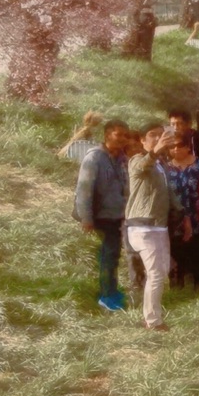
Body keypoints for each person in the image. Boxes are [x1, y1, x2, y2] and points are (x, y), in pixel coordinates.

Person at [123, 123, 178, 330]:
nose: (157, 138)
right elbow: (143, 164)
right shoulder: (137, 160)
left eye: (160, 135)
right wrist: (154, 152)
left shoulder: (161, 165)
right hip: (142, 226)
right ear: (142, 141)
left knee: (160, 272)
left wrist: (184, 214)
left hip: (158, 226)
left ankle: (150, 315)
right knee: (156, 273)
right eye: (152, 135)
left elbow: (168, 192)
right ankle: (153, 321)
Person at [73, 119, 131, 311]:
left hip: (117, 215)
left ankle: (111, 291)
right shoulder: (94, 158)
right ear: (107, 135)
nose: (123, 139)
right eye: (118, 134)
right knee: (108, 256)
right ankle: (106, 297)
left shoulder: (122, 158)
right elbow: (84, 189)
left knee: (113, 255)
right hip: (101, 216)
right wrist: (86, 218)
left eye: (125, 135)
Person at [163, 133, 199, 289]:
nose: (175, 149)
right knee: (177, 252)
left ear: (188, 147)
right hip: (176, 219)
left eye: (179, 146)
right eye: (171, 147)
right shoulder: (166, 168)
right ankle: (178, 286)